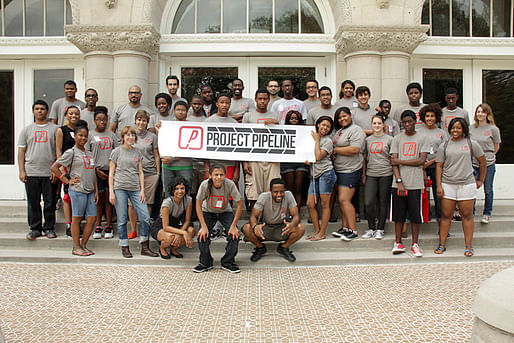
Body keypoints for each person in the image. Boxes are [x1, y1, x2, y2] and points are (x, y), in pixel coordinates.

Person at [435, 118, 486, 257]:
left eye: (458, 128)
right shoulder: (444, 146)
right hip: (448, 184)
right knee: (446, 216)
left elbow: (482, 162)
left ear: (463, 129)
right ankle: (442, 244)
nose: (455, 130)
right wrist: (439, 185)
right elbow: (439, 166)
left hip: (467, 184)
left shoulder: (471, 144)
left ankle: (468, 246)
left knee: (467, 215)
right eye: (453, 128)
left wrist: (480, 180)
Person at [109, 126, 158, 258]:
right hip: (120, 187)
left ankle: (144, 245)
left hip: (135, 188)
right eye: (127, 135)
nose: (130, 138)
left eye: (132, 135)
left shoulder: (137, 153)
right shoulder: (116, 152)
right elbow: (111, 173)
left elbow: (140, 172)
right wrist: (111, 192)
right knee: (122, 219)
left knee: (145, 217)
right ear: (123, 137)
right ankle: (124, 246)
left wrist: (142, 190)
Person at [51, 120, 98, 256]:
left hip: (89, 191)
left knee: (91, 219)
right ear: (75, 136)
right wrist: (66, 180)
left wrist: (95, 190)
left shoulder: (89, 153)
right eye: (80, 135)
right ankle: (76, 246)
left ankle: (84, 245)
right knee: (76, 219)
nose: (83, 138)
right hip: (77, 191)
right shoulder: (71, 152)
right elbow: (54, 167)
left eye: (85, 136)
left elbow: (92, 172)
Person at [390, 110, 429, 256]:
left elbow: (421, 160)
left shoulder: (422, 138)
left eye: (409, 121)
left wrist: (400, 161)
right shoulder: (397, 139)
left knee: (415, 216)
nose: (407, 124)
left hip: (416, 183)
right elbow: (393, 163)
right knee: (398, 215)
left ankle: (415, 244)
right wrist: (399, 181)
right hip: (399, 183)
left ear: (415, 122)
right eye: (404, 122)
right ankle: (398, 242)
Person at [19, 100, 59, 240]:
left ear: (47, 111)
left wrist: (56, 170)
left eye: (42, 109)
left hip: (49, 172)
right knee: (33, 201)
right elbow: (21, 151)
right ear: (33, 111)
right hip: (31, 172)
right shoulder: (27, 130)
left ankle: (49, 227)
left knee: (49, 202)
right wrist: (22, 170)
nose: (40, 111)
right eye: (37, 109)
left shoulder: (55, 129)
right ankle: (35, 228)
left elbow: (58, 151)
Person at [194, 165, 244, 273]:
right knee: (202, 235)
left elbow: (240, 204)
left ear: (225, 175)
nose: (218, 177)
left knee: (234, 235)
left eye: (221, 174)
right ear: (210, 175)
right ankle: (205, 262)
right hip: (208, 211)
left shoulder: (229, 184)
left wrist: (234, 225)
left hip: (225, 211)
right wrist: (203, 226)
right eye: (216, 174)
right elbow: (198, 205)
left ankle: (228, 262)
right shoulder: (205, 185)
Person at [242, 178, 305, 262]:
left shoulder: (289, 195)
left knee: (301, 228)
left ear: (285, 190)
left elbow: (296, 216)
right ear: (270, 191)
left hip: (282, 228)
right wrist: (255, 227)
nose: (279, 194)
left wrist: (292, 224)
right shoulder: (263, 197)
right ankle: (260, 248)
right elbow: (253, 216)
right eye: (275, 192)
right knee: (246, 228)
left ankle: (284, 247)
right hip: (265, 227)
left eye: (281, 191)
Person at [330, 107, 366, 241]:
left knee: (345, 200)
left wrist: (336, 150)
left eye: (345, 116)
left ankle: (353, 230)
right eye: (339, 118)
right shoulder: (339, 131)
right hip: (339, 169)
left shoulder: (356, 130)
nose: (342, 119)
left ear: (350, 116)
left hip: (350, 170)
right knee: (342, 201)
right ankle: (345, 228)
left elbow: (355, 149)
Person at [242, 89, 280, 210]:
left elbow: (282, 136)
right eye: (260, 99)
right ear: (255, 99)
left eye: (265, 99)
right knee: (254, 192)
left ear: (269, 100)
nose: (262, 101)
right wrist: (245, 161)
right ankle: (255, 221)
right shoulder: (248, 116)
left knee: (272, 189)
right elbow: (243, 139)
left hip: (272, 159)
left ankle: (270, 218)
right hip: (254, 158)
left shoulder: (274, 115)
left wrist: (276, 123)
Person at [86, 106, 118, 239]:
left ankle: (109, 225)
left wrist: (113, 170)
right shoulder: (90, 135)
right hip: (96, 171)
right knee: (98, 199)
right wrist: (95, 170)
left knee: (109, 199)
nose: (102, 122)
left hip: (110, 171)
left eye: (104, 120)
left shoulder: (112, 135)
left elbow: (117, 153)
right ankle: (98, 224)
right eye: (99, 119)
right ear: (94, 120)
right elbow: (87, 154)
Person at [128, 110, 160, 239]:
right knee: (132, 204)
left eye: (144, 121)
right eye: (139, 120)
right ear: (135, 121)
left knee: (147, 202)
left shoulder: (152, 137)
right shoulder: (130, 135)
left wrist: (158, 172)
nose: (141, 123)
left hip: (150, 173)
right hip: (133, 173)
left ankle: (144, 229)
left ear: (147, 123)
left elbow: (156, 154)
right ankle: (133, 229)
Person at [361, 114, 393, 240]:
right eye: (374, 123)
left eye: (379, 123)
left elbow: (393, 158)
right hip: (371, 174)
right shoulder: (368, 140)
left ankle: (380, 229)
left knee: (383, 202)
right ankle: (371, 228)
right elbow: (364, 158)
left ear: (383, 125)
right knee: (368, 202)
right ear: (371, 125)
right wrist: (363, 174)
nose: (377, 126)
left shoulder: (390, 139)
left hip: (386, 173)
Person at [305, 116, 336, 241]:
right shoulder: (312, 137)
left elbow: (318, 156)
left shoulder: (327, 141)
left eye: (328, 126)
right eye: (323, 125)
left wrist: (317, 140)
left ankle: (322, 232)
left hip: (326, 173)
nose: (325, 128)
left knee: (324, 204)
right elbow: (310, 155)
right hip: (314, 174)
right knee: (310, 203)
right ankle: (317, 230)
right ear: (318, 125)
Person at [470, 104, 501, 224]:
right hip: (473, 163)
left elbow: (496, 146)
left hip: (488, 163)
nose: (480, 114)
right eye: (478, 112)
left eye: (483, 112)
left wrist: (489, 156)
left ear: (487, 114)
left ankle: (487, 213)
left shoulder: (493, 129)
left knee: (488, 189)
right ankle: (470, 213)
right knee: (471, 189)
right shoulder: (471, 128)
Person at [150, 178, 195, 259]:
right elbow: (165, 226)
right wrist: (183, 233)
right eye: (176, 189)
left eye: (182, 188)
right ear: (172, 190)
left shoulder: (188, 200)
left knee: (191, 231)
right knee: (170, 237)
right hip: (161, 226)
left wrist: (180, 233)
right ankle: (162, 248)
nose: (180, 191)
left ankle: (174, 249)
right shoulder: (167, 203)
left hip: (176, 224)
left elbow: (187, 221)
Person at [418, 103, 448, 223]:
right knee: (422, 192)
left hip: (437, 166)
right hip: (421, 166)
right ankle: (425, 215)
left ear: (436, 117)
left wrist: (430, 162)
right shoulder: (418, 131)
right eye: (427, 116)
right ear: (423, 117)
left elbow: (445, 150)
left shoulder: (441, 133)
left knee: (438, 193)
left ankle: (441, 218)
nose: (429, 118)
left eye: (432, 116)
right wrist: (423, 163)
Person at [56, 105, 81, 237]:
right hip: (67, 167)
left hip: (80, 167)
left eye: (76, 114)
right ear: (66, 115)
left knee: (77, 195)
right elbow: (59, 149)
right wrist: (61, 166)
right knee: (67, 197)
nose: (74, 116)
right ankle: (69, 224)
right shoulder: (61, 130)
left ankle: (77, 223)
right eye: (71, 114)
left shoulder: (81, 129)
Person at [204, 94, 240, 185]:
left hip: (230, 165)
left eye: (227, 103)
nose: (224, 105)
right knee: (212, 194)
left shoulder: (234, 123)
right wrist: (207, 166)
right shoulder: (208, 122)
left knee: (229, 194)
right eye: (222, 102)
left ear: (230, 105)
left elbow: (238, 148)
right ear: (217, 104)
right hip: (213, 164)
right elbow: (204, 147)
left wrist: (237, 169)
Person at [161, 101, 193, 198]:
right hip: (167, 166)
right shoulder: (167, 126)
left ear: (187, 111)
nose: (180, 112)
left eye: (183, 110)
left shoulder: (192, 127)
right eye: (178, 110)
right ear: (173, 111)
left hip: (185, 167)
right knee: (168, 195)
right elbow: (161, 143)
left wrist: (173, 158)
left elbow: (191, 148)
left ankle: (184, 214)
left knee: (185, 195)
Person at [281, 110, 309, 212]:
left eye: (296, 118)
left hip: (301, 162)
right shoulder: (282, 130)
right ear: (288, 120)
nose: (294, 120)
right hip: (287, 162)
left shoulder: (305, 131)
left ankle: (296, 212)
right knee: (289, 189)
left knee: (298, 189)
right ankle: (289, 212)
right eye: (292, 118)